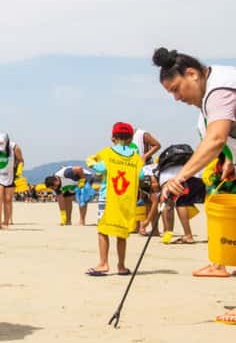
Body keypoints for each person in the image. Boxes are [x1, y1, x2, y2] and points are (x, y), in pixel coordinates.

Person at [152, 48, 236, 324]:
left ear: (192, 74)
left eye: (177, 89)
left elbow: (215, 140)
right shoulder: (216, 85)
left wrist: (180, 177)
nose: (177, 98)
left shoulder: (218, 89)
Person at [85, 122, 144, 276]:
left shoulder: (108, 153)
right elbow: (142, 175)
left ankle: (103, 264)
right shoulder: (136, 158)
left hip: (108, 197)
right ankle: (121, 266)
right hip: (126, 200)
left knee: (103, 230)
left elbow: (98, 167)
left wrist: (90, 160)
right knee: (121, 233)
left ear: (113, 137)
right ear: (131, 138)